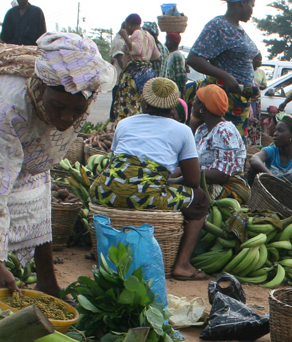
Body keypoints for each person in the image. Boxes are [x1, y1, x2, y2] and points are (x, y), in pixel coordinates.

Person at [0, 34, 114, 297]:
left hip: (25, 116)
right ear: (42, 88)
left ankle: (47, 283)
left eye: (76, 111)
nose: (66, 119)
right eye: (57, 107)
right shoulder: (7, 106)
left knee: (39, 189)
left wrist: (63, 111)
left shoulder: (82, 90)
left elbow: (40, 155)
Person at [90, 77, 210, 281]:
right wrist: (168, 182)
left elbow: (118, 164)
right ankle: (182, 265)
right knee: (200, 199)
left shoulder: (124, 123)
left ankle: (98, 249)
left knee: (119, 190)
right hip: (149, 197)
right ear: (173, 105)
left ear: (144, 102)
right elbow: (193, 181)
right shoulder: (182, 130)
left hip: (105, 191)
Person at [187, 0, 259, 132]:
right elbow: (193, 58)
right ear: (243, 2)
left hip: (239, 103)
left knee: (233, 144)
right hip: (224, 99)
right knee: (219, 141)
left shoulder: (238, 28)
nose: (252, 11)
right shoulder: (218, 26)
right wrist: (226, 76)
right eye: (251, 6)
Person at [191, 83, 249, 202]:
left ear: (202, 106)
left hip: (229, 188)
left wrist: (188, 172)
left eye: (196, 100)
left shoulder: (224, 130)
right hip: (207, 182)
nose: (192, 104)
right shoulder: (202, 129)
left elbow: (222, 175)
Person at [110, 15, 159, 123]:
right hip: (147, 71)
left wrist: (125, 37)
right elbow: (156, 56)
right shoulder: (149, 36)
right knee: (142, 101)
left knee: (129, 102)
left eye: (126, 27)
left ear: (129, 25)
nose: (126, 29)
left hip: (134, 72)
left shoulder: (137, 33)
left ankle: (129, 125)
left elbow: (136, 50)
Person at [249, 115, 292, 188]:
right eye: (275, 130)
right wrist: (269, 175)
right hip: (271, 189)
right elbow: (254, 159)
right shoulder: (272, 150)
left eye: (280, 130)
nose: (275, 134)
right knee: (253, 169)